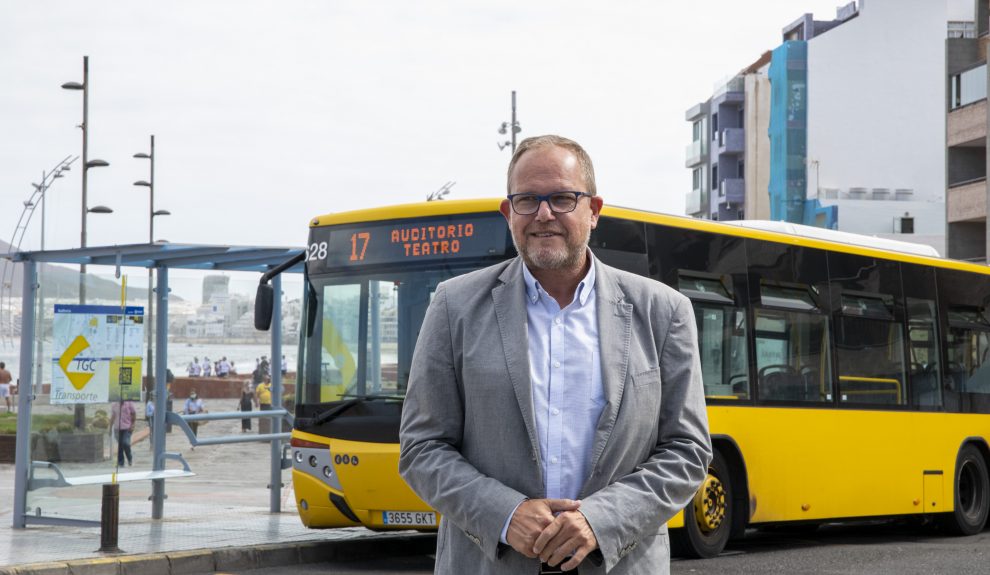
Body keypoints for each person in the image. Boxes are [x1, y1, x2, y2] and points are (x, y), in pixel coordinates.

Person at [398, 135, 712, 575]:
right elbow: (421, 449)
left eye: (562, 198)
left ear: (594, 210)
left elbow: (688, 450)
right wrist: (506, 515)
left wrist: (599, 521)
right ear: (509, 213)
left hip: (617, 563)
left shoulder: (663, 312)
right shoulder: (454, 307)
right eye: (527, 200)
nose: (544, 214)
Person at [111, 399, 137, 467]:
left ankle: (129, 458)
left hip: (127, 427)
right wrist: (110, 427)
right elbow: (113, 416)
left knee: (125, 443)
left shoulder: (129, 403)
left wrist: (133, 424)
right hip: (117, 428)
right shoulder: (114, 404)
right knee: (120, 445)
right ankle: (120, 462)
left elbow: (133, 413)